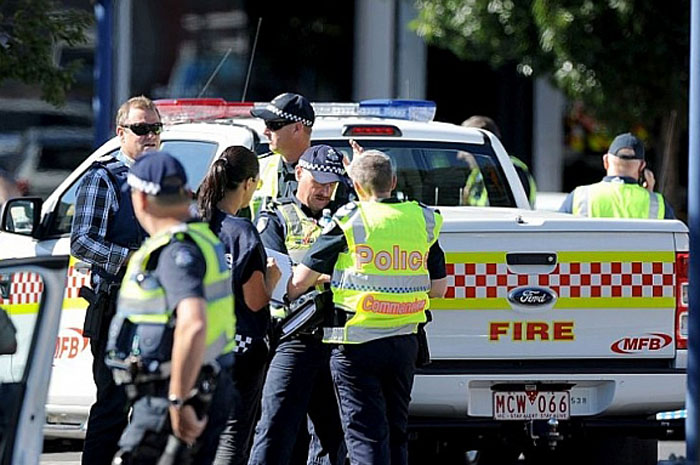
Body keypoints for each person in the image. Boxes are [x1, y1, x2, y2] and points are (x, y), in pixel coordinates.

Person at [288, 150, 448, 465]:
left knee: (365, 436)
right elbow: (438, 289)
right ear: (394, 181)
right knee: (396, 432)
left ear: (357, 186)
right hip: (404, 341)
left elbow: (298, 282)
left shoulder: (350, 220)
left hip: (356, 344)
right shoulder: (422, 219)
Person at [107, 151, 235, 464]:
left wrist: (178, 401)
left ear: (141, 199)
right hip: (202, 384)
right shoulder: (200, 238)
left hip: (175, 393)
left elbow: (193, 324)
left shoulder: (175, 250)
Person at [70, 95, 162, 465]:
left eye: (155, 128)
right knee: (113, 405)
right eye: (141, 129)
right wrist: (134, 260)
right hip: (116, 308)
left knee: (153, 409)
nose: (150, 135)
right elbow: (81, 242)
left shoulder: (166, 180)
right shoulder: (104, 178)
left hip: (159, 310)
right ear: (121, 133)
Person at [247, 144, 348, 465]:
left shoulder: (346, 218)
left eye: (331, 184)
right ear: (299, 173)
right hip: (294, 338)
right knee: (275, 429)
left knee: (333, 436)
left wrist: (310, 276)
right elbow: (278, 277)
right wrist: (327, 276)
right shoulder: (276, 217)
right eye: (318, 182)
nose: (325, 191)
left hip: (338, 340)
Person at [196, 146, 282, 465]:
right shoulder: (242, 232)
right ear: (248, 184)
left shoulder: (193, 223)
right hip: (239, 349)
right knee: (230, 436)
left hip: (195, 344)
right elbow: (255, 300)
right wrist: (272, 278)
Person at [559, 132, 675, 219]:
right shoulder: (657, 204)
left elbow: (555, 235)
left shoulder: (580, 197)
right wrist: (649, 195)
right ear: (642, 167)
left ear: (606, 161)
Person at [249, 92, 316, 216]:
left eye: (273, 125)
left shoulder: (326, 175)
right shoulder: (258, 167)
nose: (265, 132)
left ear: (297, 128)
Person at [461, 115, 537, 207]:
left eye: (465, 147)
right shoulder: (477, 173)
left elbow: (508, 209)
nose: (461, 155)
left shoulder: (510, 170)